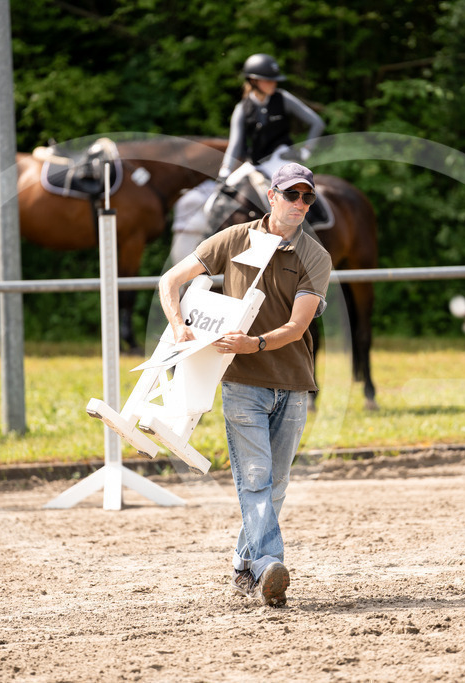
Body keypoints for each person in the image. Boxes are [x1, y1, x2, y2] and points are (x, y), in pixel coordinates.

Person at [158, 163, 331, 607]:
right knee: (255, 479)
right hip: (240, 383)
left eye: (307, 197)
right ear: (271, 196)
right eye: (291, 195)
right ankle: (270, 563)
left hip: (291, 381)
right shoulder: (234, 238)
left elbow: (296, 326)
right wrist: (179, 326)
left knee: (275, 486)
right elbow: (171, 280)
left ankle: (242, 565)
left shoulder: (315, 256)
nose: (299, 204)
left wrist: (254, 342)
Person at [169, 53, 324, 263]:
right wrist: (224, 172)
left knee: (284, 196)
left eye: (273, 80)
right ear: (253, 81)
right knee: (217, 197)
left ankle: (303, 232)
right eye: (267, 80)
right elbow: (235, 144)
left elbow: (316, 122)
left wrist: (305, 151)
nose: (272, 84)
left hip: (280, 158)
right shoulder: (242, 108)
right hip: (255, 162)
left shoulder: (283, 99)